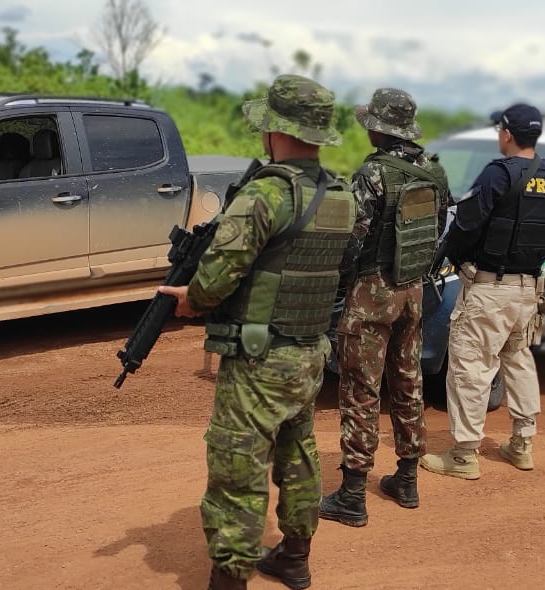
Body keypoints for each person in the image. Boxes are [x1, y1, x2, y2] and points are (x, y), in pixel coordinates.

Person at [158, 74, 358, 590]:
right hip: (311, 350)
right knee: (298, 451)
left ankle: (230, 579)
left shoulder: (263, 195)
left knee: (236, 468)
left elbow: (217, 279)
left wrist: (192, 299)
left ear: (275, 132)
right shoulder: (341, 194)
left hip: (258, 358)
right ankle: (294, 558)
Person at [419, 103, 545, 480]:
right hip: (528, 290)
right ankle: (522, 444)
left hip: (491, 288)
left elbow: (466, 225)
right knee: (517, 359)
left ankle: (464, 454)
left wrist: (452, 255)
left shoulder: (496, 174)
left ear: (506, 133)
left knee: (471, 365)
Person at [318, 88, 451, 527]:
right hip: (413, 290)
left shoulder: (372, 174)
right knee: (407, 381)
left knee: (361, 388)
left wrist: (341, 281)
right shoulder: (433, 171)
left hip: (372, 292)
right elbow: (437, 230)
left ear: (378, 128)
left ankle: (353, 494)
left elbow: (352, 241)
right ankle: (407, 479)